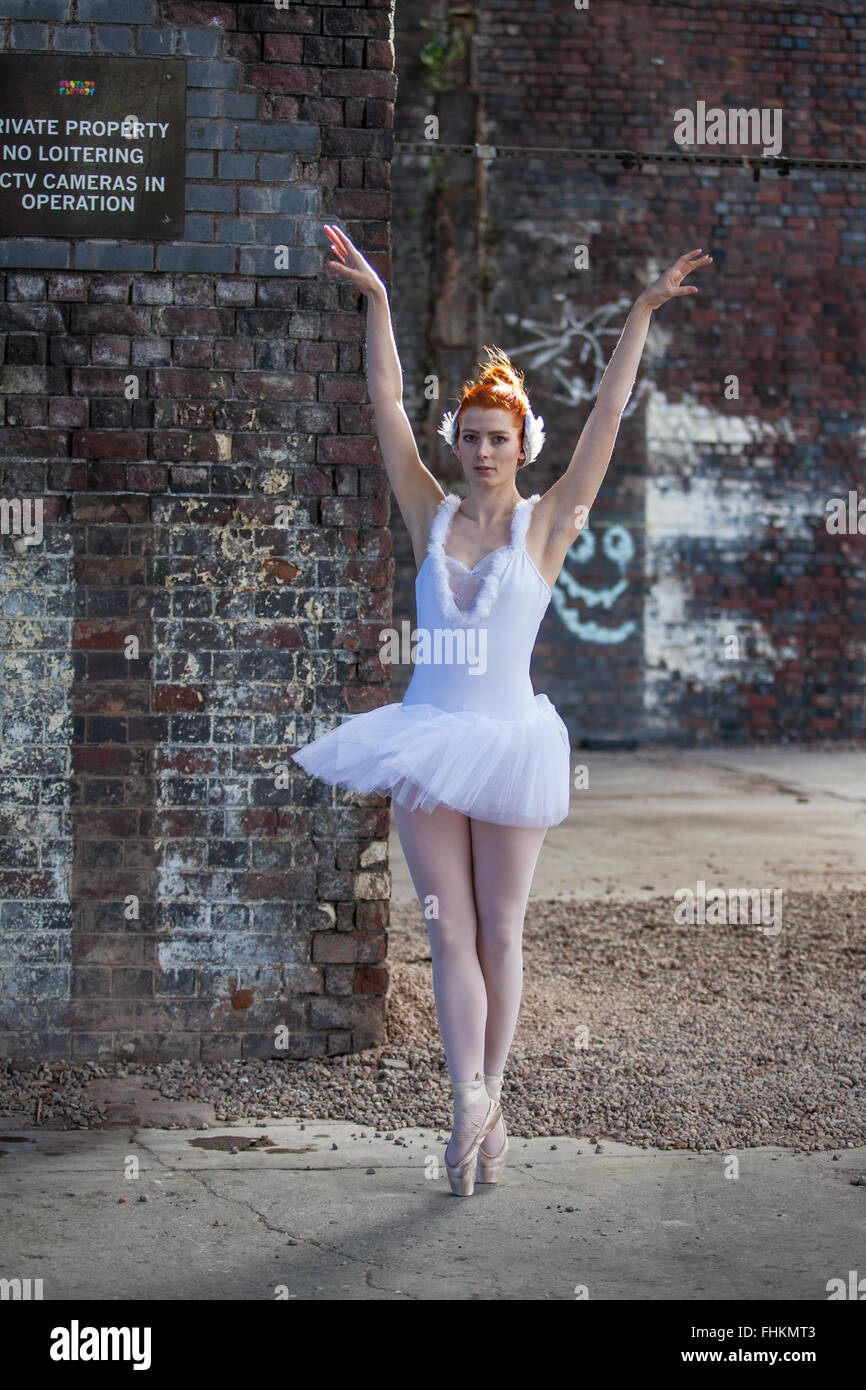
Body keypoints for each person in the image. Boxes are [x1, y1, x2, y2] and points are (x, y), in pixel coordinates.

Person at [293, 224, 712, 1195]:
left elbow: (608, 413)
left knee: (500, 929)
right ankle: (467, 1099)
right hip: (429, 739)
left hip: (513, 741)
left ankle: (493, 1085)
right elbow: (385, 403)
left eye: (499, 438)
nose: (483, 451)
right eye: (471, 437)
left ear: (523, 444)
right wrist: (379, 303)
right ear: (459, 444)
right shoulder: (429, 513)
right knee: (444, 928)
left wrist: (639, 313)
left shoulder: (548, 521)